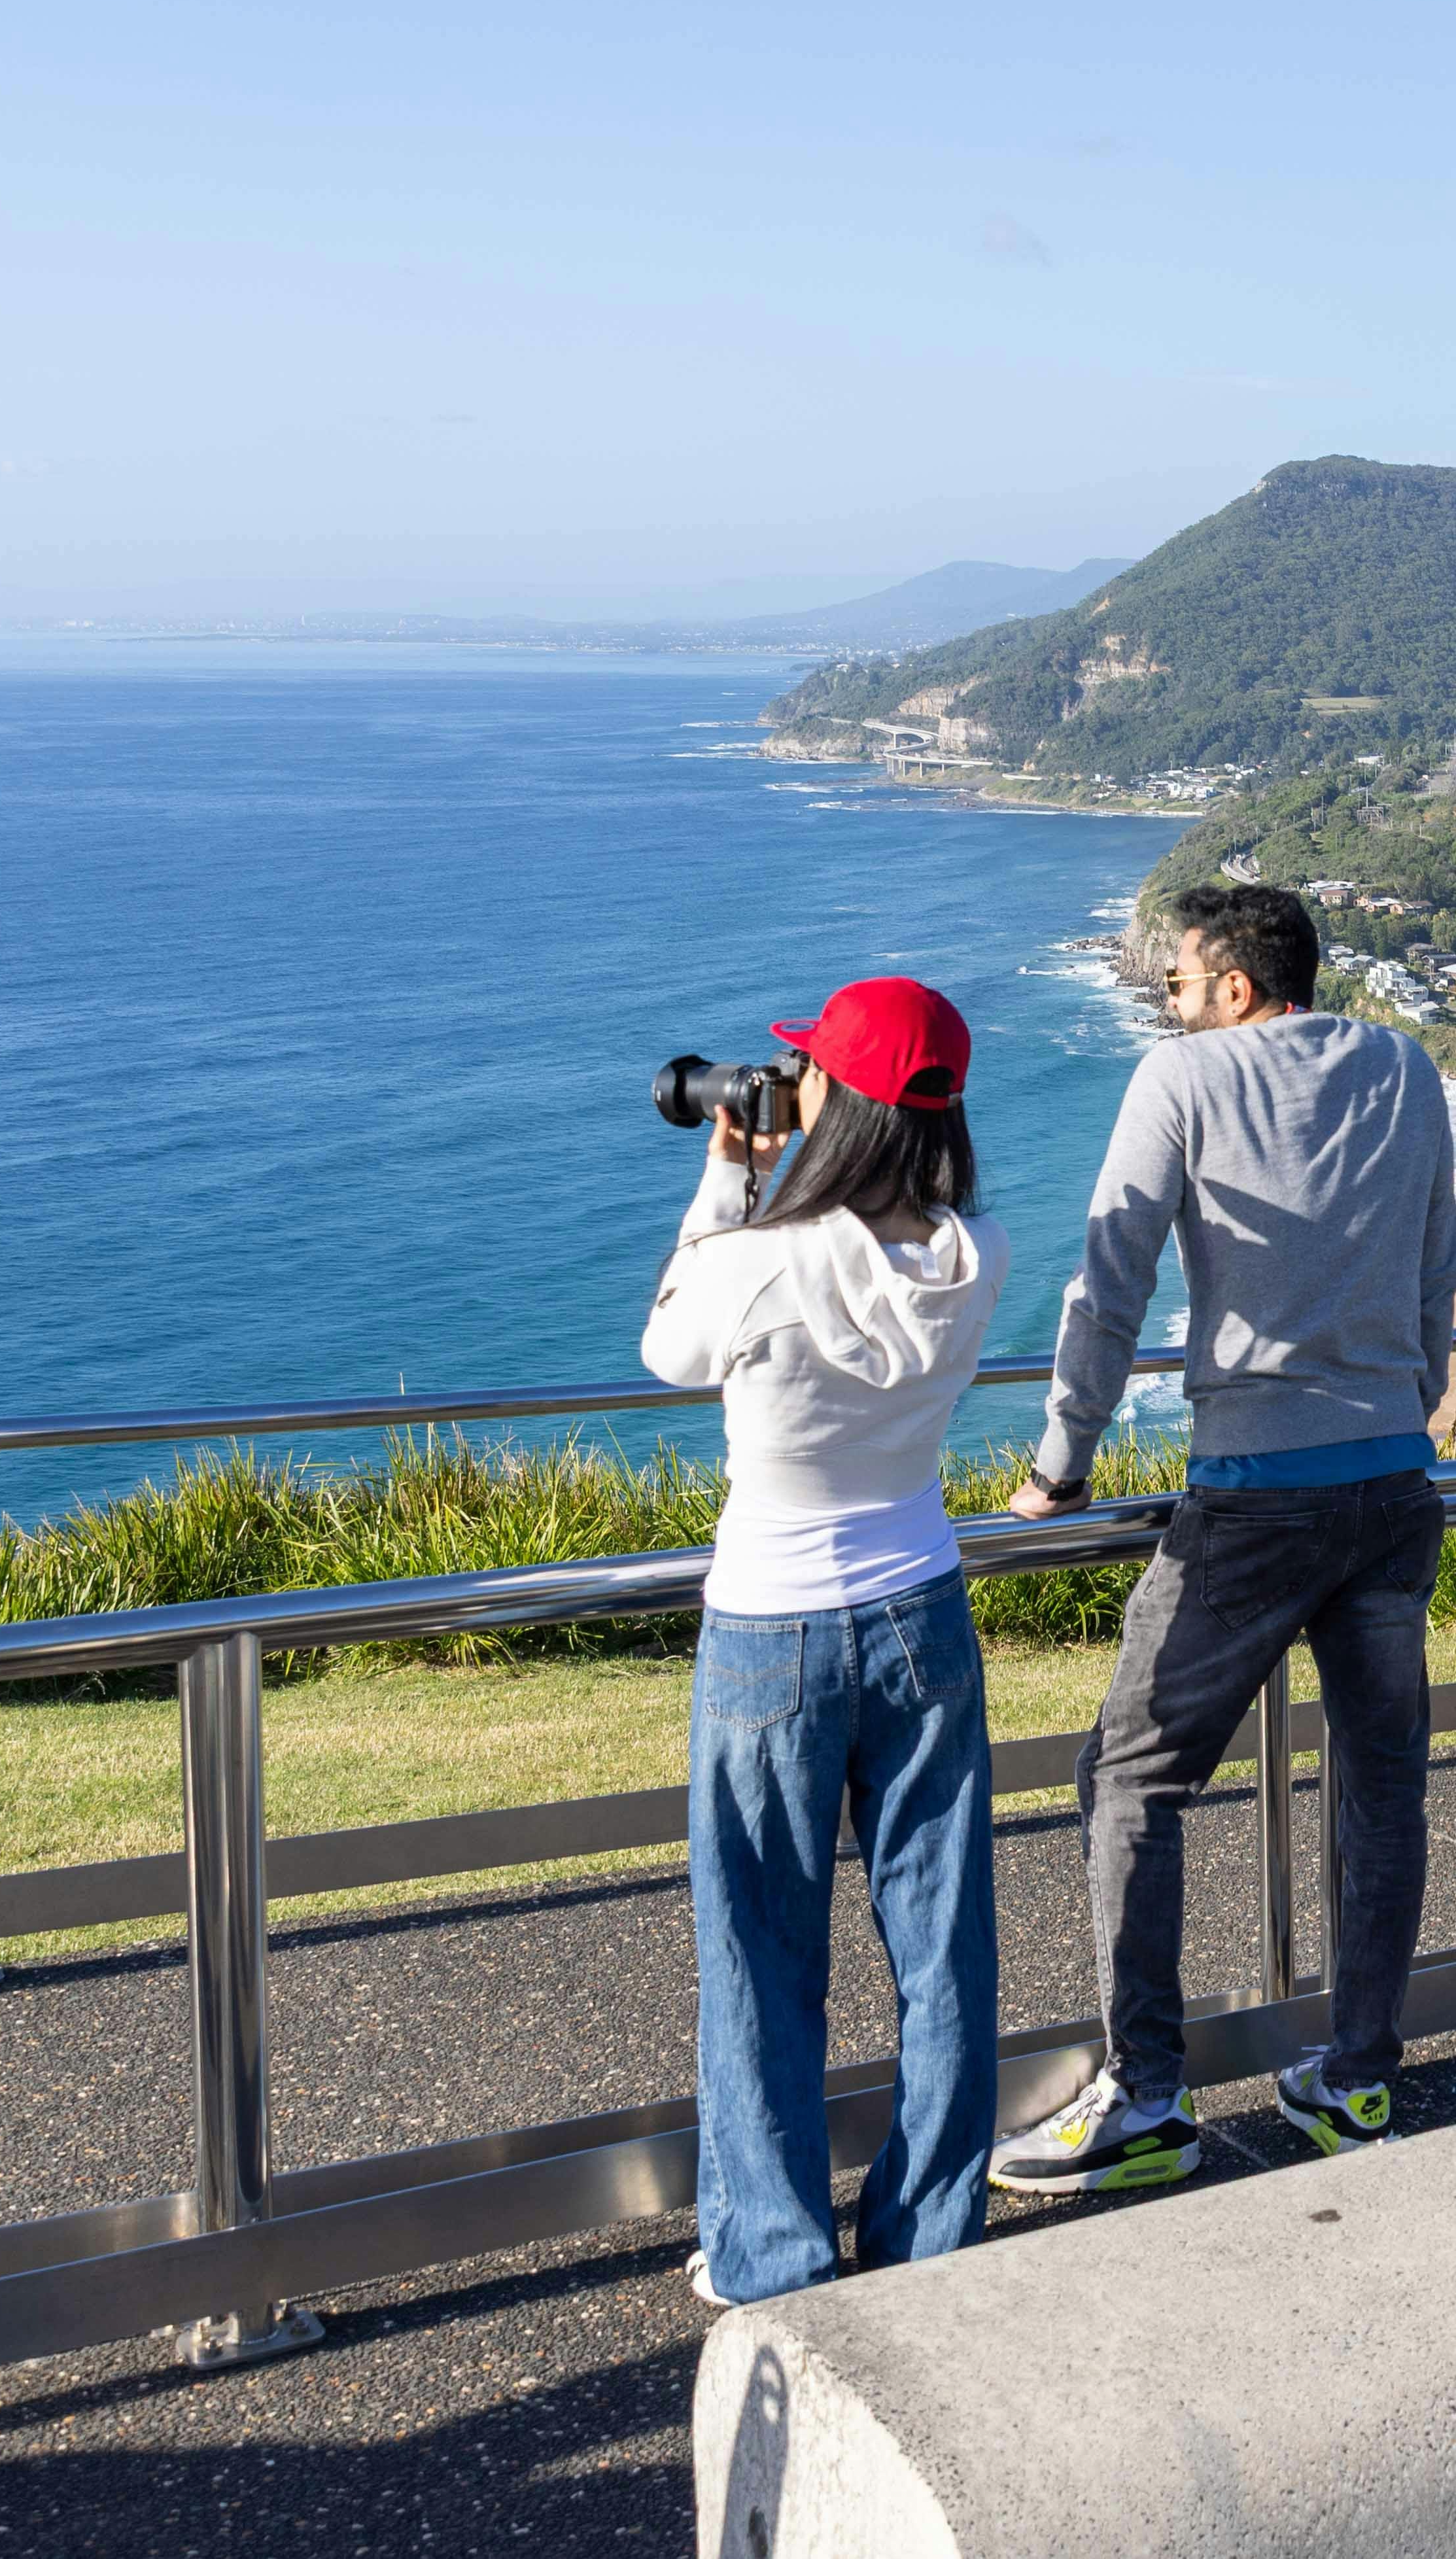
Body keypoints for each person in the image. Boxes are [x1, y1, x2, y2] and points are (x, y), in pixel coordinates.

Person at [997, 884, 1456, 2193]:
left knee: (1131, 1775)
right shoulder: (1406, 1065)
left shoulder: (1181, 1078)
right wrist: (1403, 1397)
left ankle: (1146, 2094)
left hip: (1257, 1490)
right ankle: (1356, 2072)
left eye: (1184, 984)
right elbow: (1437, 1255)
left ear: (1240, 989)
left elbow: (1111, 1273)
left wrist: (1061, 1462)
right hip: (1392, 1478)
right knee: (1381, 1786)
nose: (1170, 1003)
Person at [642, 974, 1009, 2308]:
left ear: (836, 1102)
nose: (776, 1083)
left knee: (760, 1953)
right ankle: (929, 2232)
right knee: (941, 1936)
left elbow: (670, 1345)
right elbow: (879, 1238)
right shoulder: (976, 1258)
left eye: (802, 1071)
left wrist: (728, 1175)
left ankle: (773, 2251)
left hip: (771, 1629)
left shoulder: (757, 1259)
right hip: (921, 1604)